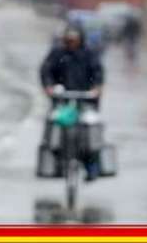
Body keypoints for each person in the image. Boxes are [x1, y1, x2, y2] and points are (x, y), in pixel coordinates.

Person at [40, 24, 104, 181]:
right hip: (62, 101)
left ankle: (92, 165)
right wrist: (49, 87)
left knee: (91, 127)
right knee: (54, 124)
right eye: (69, 40)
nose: (71, 43)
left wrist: (96, 88)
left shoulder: (88, 54)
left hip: (85, 100)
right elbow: (46, 70)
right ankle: (55, 161)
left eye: (74, 40)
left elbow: (97, 72)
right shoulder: (57, 54)